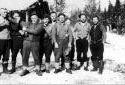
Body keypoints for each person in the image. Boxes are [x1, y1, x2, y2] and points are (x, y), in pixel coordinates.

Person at [0, 8, 10, 75]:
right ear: (0, 13)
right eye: (4, 12)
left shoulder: (7, 19)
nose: (5, 13)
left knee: (6, 55)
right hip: (1, 39)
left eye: (6, 12)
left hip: (8, 39)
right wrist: (3, 24)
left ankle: (5, 69)